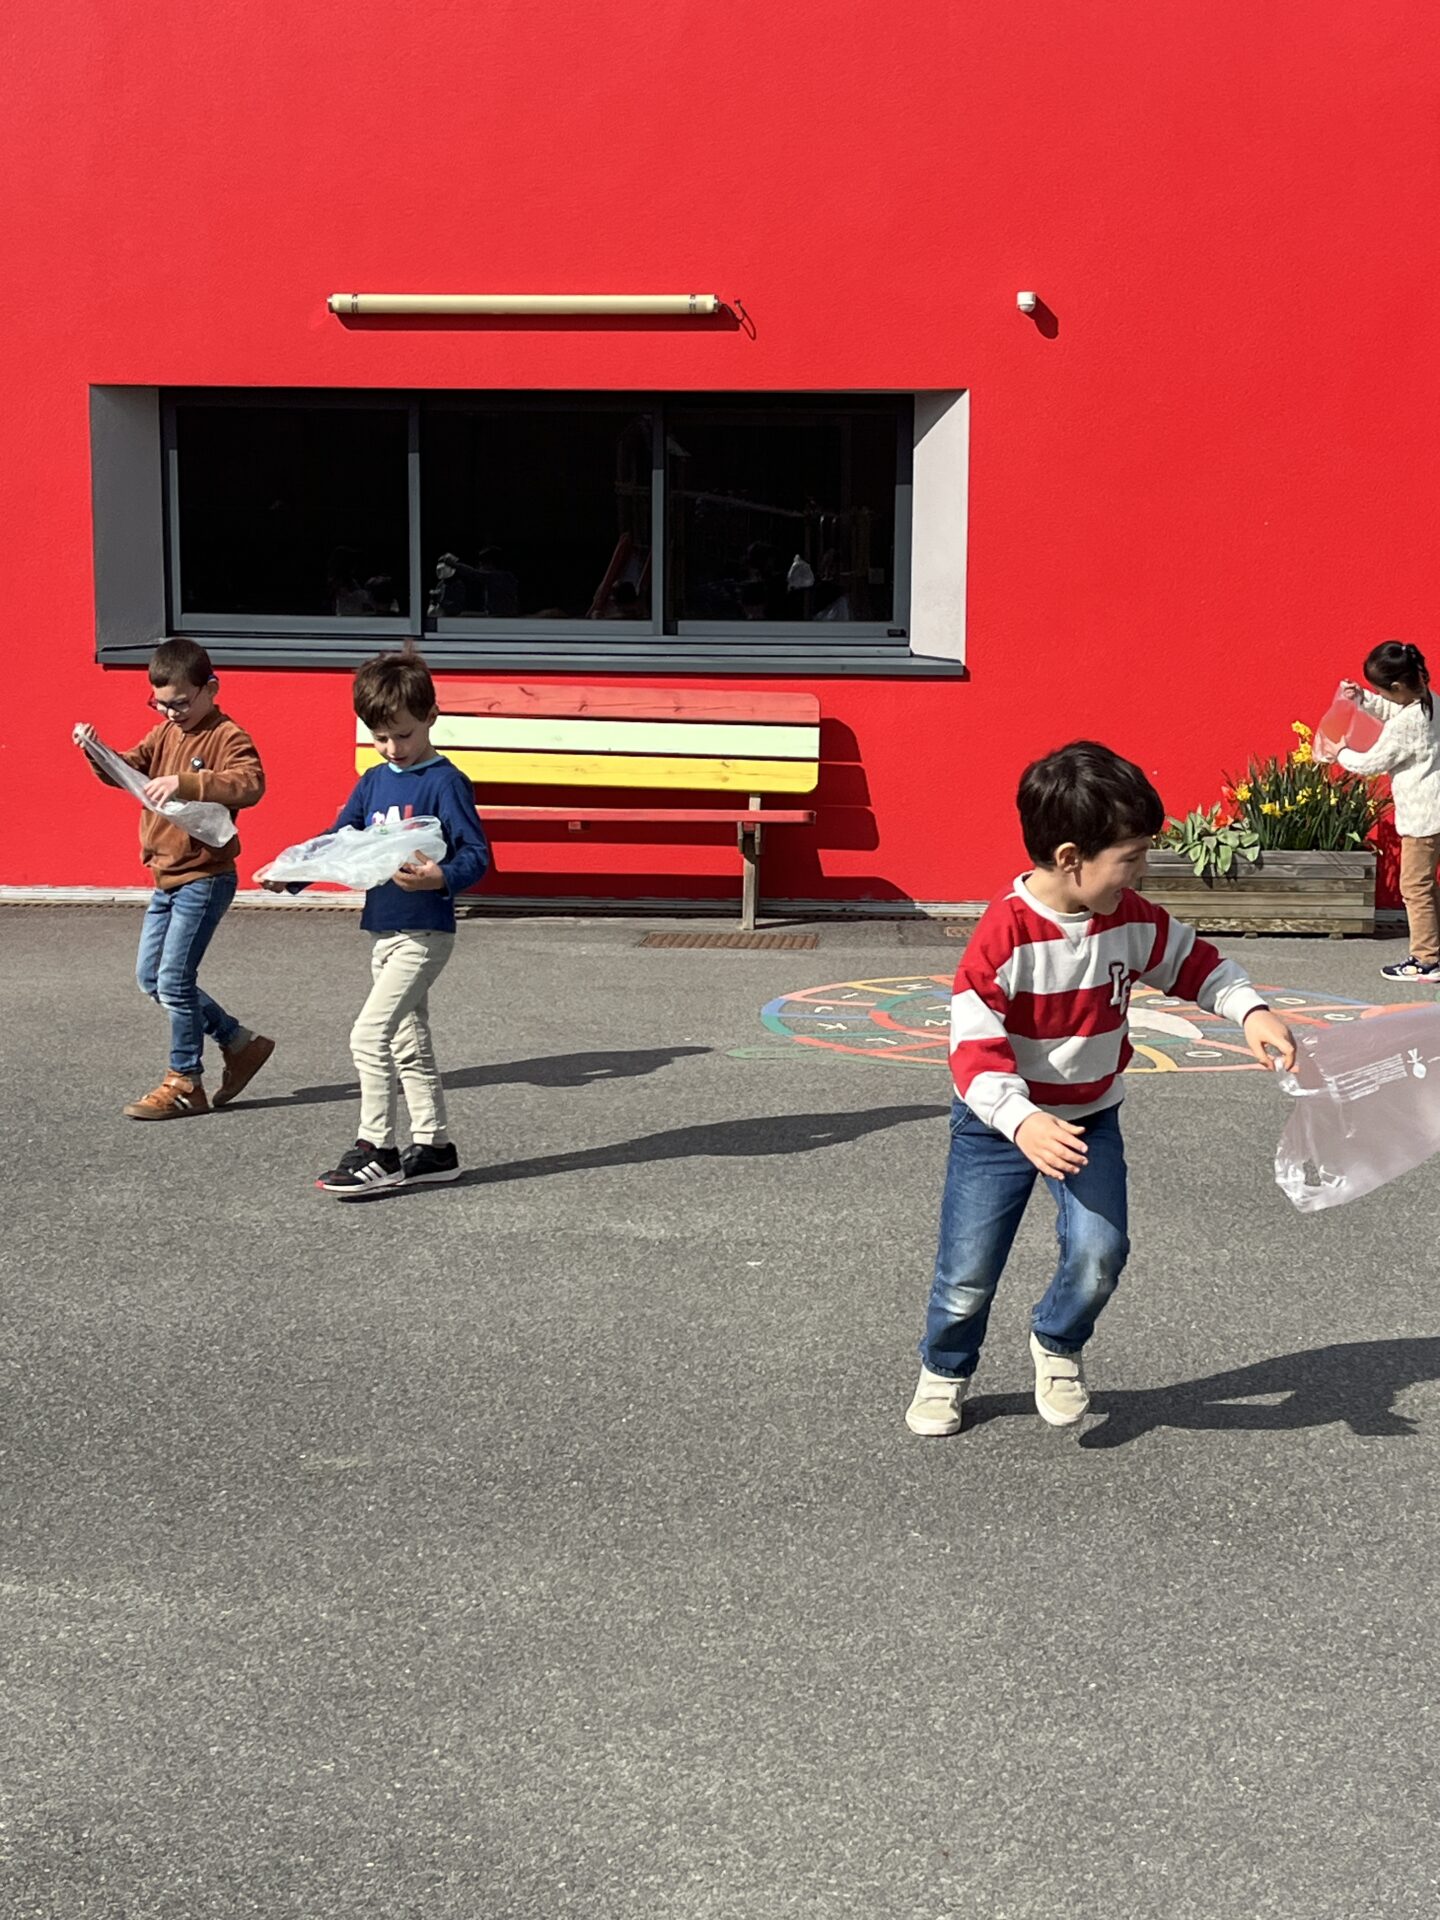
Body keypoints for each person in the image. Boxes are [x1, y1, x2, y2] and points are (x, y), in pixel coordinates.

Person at [905, 740, 1297, 1438]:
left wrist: (1250, 1010)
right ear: (1069, 858)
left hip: (1089, 1119)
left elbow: (1198, 964)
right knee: (967, 1271)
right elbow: (972, 1051)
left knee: (1101, 1252)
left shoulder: (1131, 919)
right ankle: (945, 1369)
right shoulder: (1003, 937)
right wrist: (1022, 1120)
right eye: (1131, 857)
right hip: (999, 1127)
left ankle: (1057, 1342)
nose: (1141, 871)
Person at [269, 647, 490, 1198]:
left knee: (369, 1035)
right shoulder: (371, 782)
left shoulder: (446, 782)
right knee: (409, 1041)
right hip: (384, 930)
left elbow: (477, 855)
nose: (393, 748)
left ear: (432, 716)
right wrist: (291, 875)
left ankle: (377, 1150)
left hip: (425, 933)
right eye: (380, 737)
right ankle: (435, 1150)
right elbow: (340, 842)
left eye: (404, 735)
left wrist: (441, 876)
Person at [73, 639, 274, 1119]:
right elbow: (128, 771)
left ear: (211, 689)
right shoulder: (163, 733)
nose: (170, 713)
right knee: (152, 979)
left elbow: (250, 783)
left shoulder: (227, 735)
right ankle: (239, 1042)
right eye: (160, 704)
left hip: (206, 876)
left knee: (176, 981)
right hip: (166, 877)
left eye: (180, 703)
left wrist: (185, 781)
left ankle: (185, 1081)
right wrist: (97, 752)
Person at [1336, 641, 1440, 982]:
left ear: (1396, 686)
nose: (1379, 695)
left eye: (1380, 690)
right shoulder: (1429, 700)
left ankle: (1426, 960)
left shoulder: (1408, 723)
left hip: (1423, 819)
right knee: (1426, 886)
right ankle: (1433, 951)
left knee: (1414, 888)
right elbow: (1394, 710)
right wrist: (1363, 699)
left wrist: (1339, 752)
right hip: (1434, 812)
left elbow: (1372, 762)